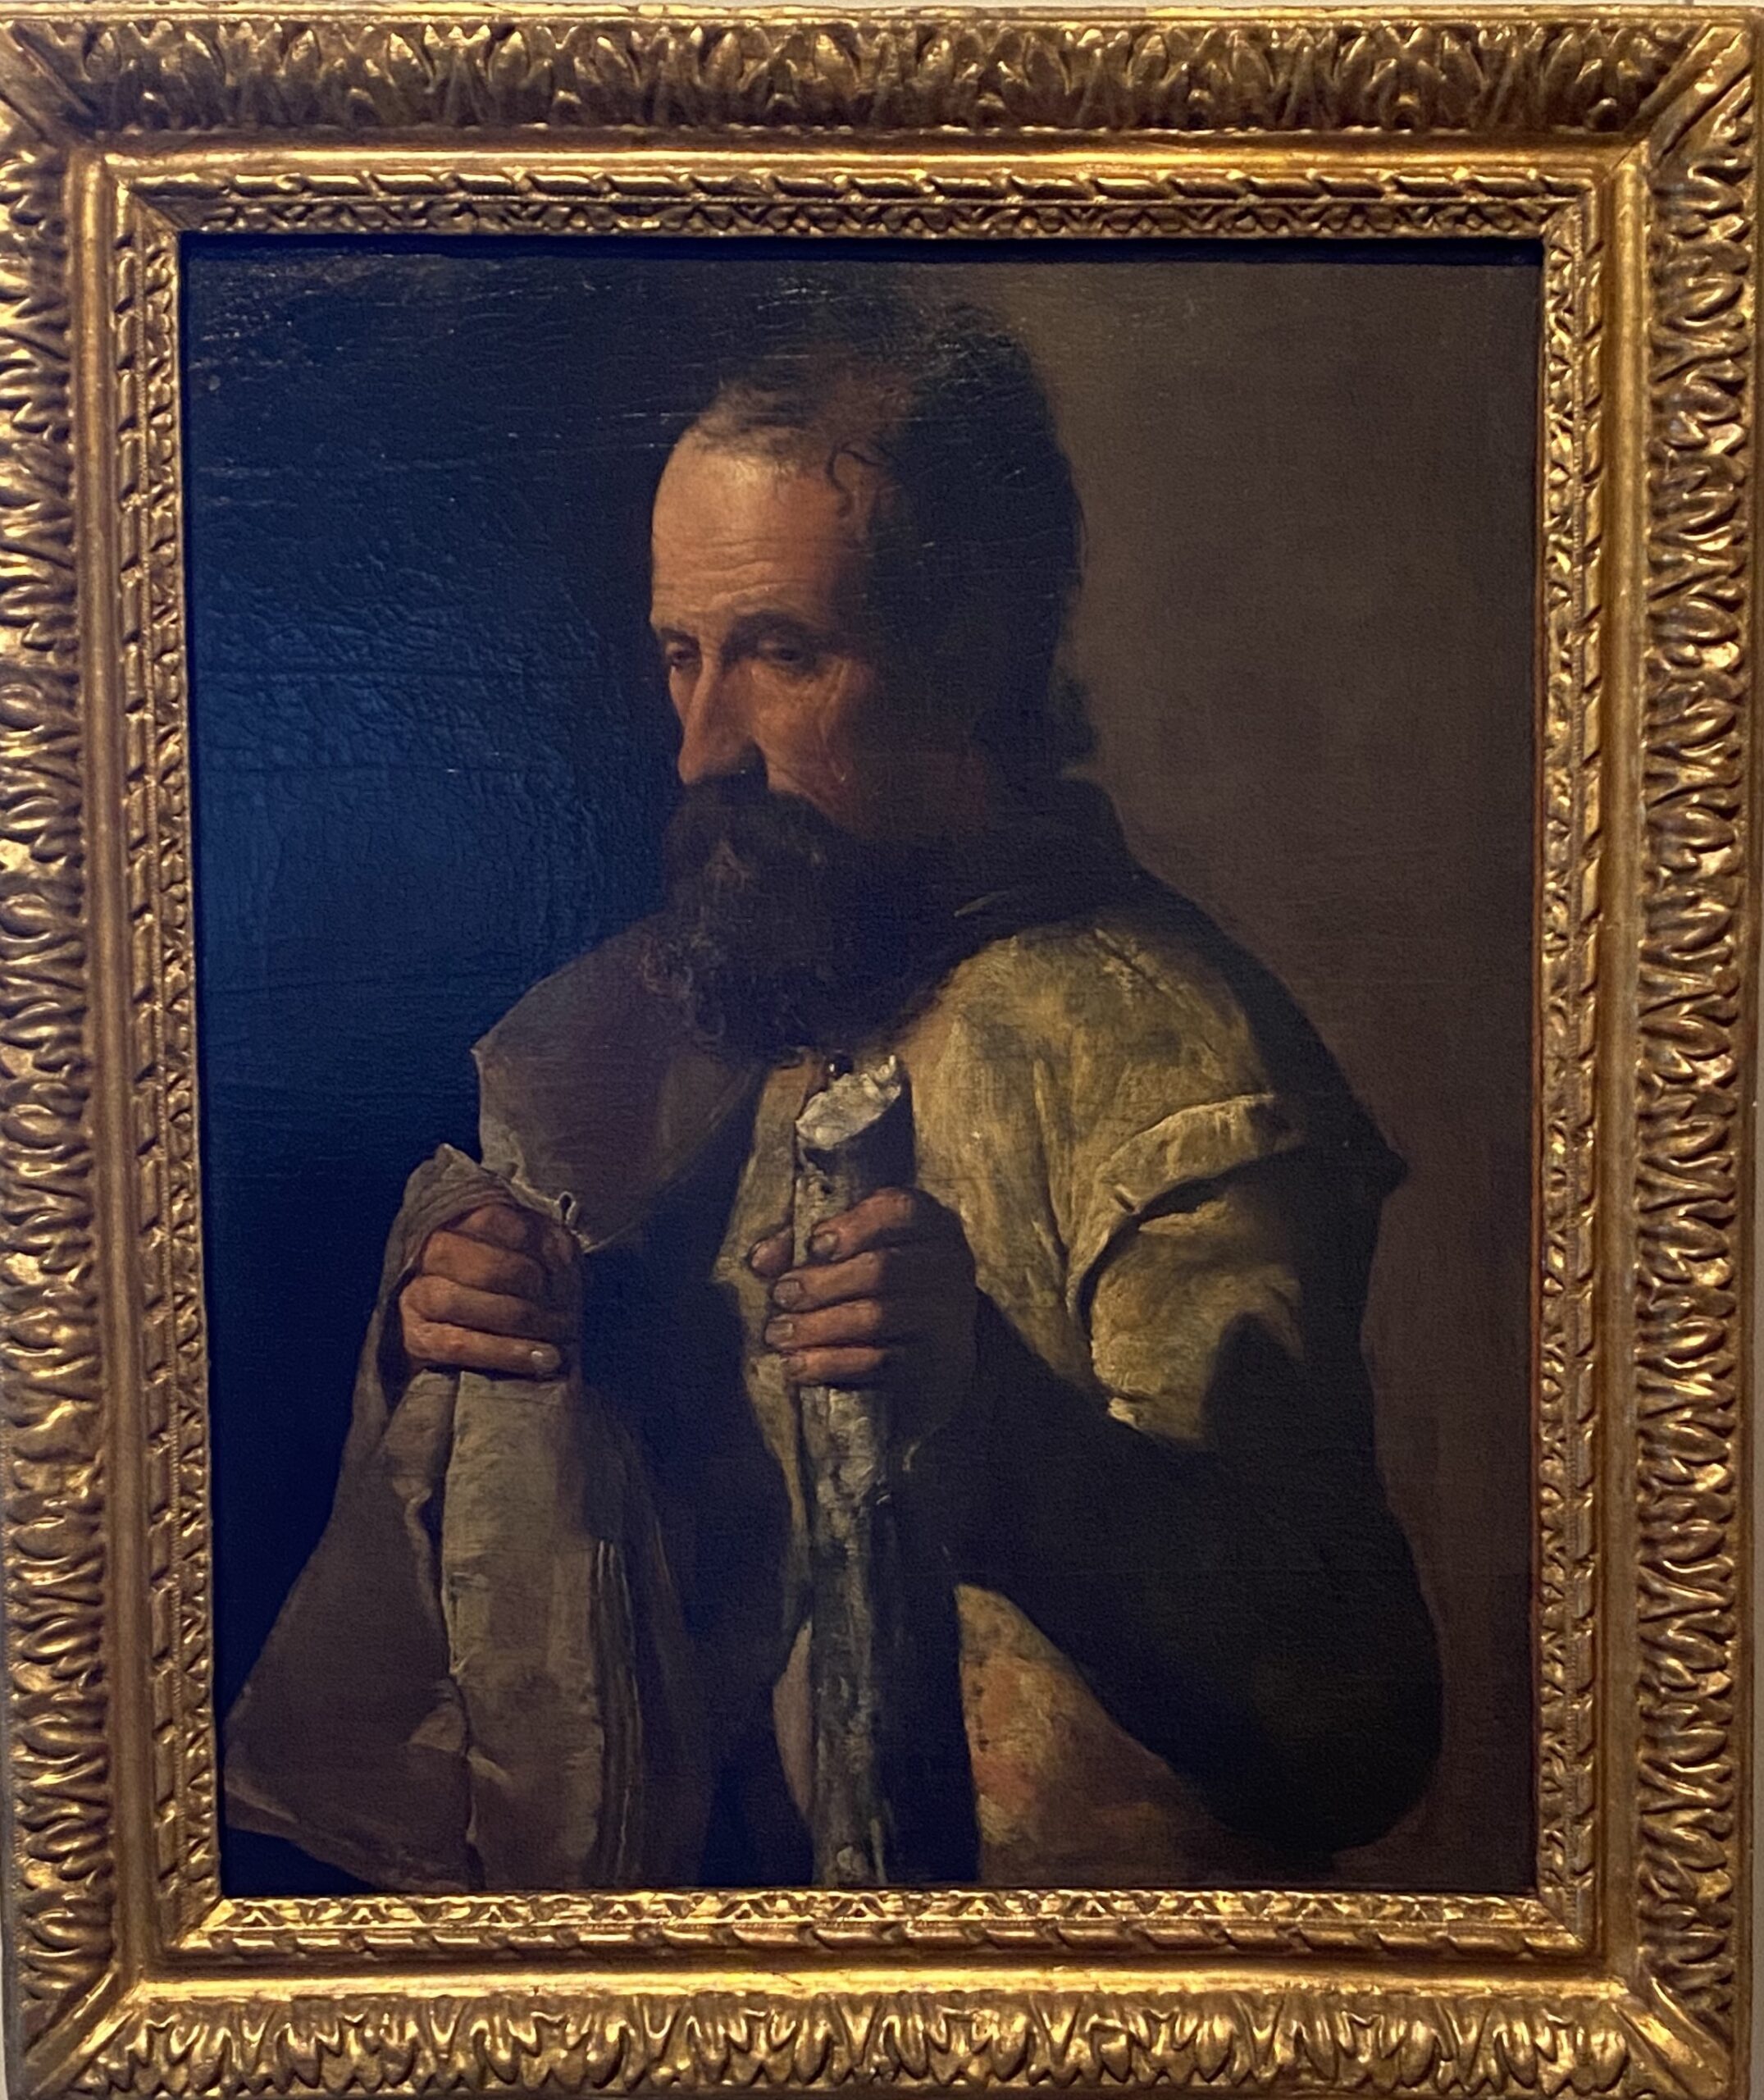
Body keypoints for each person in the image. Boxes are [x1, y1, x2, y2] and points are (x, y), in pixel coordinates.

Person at [224, 290, 1441, 1892]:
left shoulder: (1166, 1065)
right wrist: (478, 1319)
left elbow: (1348, 1728)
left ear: (971, 658)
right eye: (681, 657)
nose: (700, 748)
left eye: (782, 654)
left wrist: (991, 1419)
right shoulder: (737, 998)